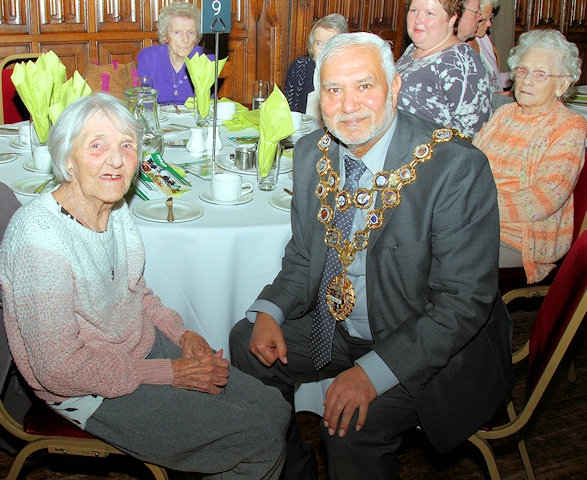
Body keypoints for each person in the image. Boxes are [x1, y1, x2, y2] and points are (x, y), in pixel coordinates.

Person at [230, 32, 513, 480]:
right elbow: (304, 256)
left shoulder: (454, 167)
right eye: (334, 90)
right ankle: (290, 470)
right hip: (340, 326)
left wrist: (374, 373)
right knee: (246, 344)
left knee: (347, 423)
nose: (348, 105)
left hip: (428, 342)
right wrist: (272, 309)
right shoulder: (310, 153)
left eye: (365, 86)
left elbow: (463, 303)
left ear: (395, 88)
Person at [0, 93, 289, 479]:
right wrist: (170, 372)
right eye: (97, 145)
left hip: (139, 348)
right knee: (257, 440)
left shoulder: (113, 208)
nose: (116, 160)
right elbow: (59, 370)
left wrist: (182, 333)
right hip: (88, 390)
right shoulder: (40, 241)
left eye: (127, 145)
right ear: (67, 159)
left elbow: (136, 293)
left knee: (275, 408)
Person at [473, 29, 587, 284]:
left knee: (439, 255)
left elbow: (547, 196)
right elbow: (472, 167)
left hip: (520, 237)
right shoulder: (504, 114)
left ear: (562, 85)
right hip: (473, 221)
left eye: (540, 74)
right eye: (522, 71)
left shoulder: (569, 125)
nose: (526, 81)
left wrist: (476, 208)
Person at [395, 0, 492, 138]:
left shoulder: (463, 60)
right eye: (413, 11)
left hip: (425, 155)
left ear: (452, 19)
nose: (418, 20)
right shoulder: (413, 49)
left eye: (430, 13)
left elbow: (470, 132)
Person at [137, 2, 214, 104]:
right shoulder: (148, 57)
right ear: (165, 36)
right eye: (178, 33)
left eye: (190, 33)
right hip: (158, 118)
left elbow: (208, 105)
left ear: (197, 36)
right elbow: (144, 103)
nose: (185, 39)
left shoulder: (206, 60)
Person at [283, 13, 348, 115]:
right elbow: (288, 112)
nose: (324, 49)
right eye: (318, 43)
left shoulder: (351, 74)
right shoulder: (299, 68)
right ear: (311, 47)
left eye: (330, 43)